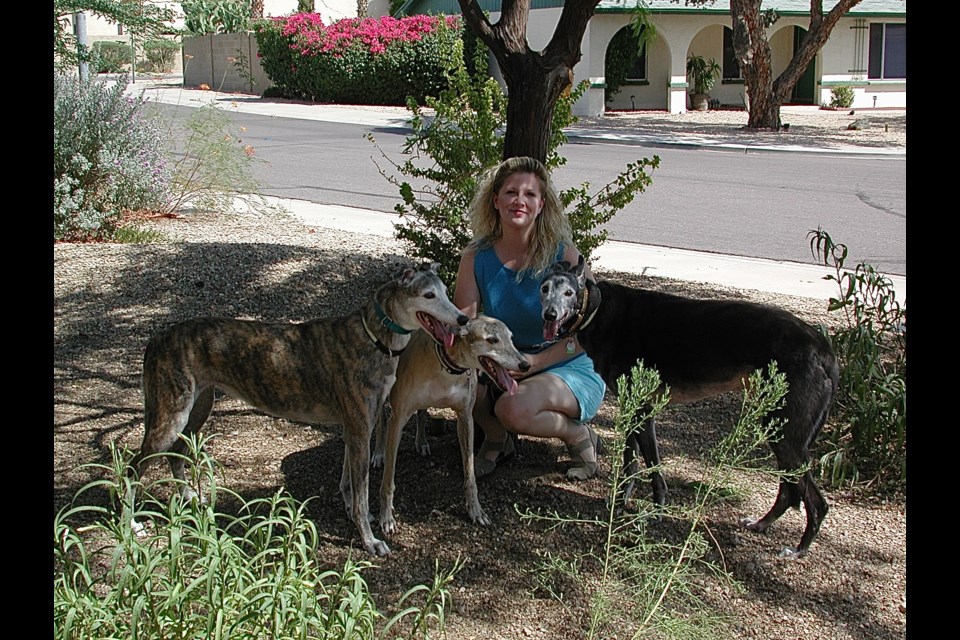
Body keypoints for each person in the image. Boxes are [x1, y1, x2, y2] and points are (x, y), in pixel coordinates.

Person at [453, 156, 606, 481]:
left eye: (530, 194)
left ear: (541, 205)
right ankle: (497, 440)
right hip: (506, 361)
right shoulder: (475, 257)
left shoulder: (564, 255)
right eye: (510, 192)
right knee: (462, 381)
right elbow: (462, 325)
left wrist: (535, 362)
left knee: (513, 409)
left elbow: (594, 330)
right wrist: (484, 360)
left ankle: (578, 436)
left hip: (566, 364)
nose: (519, 201)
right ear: (495, 201)